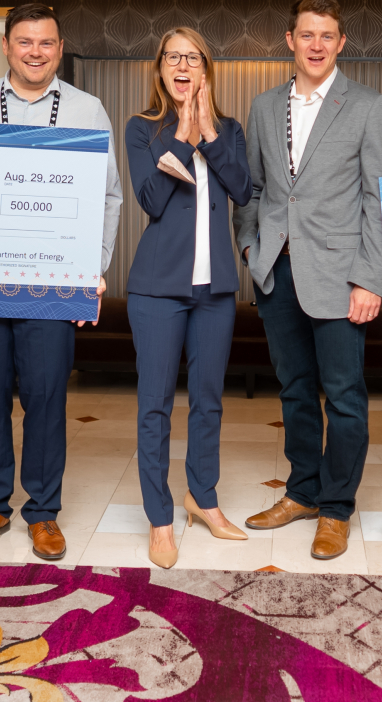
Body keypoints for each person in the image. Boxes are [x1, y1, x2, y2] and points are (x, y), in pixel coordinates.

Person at [0, 3, 122, 561]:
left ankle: (43, 512)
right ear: (6, 46)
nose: (35, 52)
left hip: (53, 282)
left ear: (59, 48)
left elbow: (108, 194)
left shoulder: (87, 110)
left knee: (45, 398)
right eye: (25, 42)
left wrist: (93, 270)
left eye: (46, 43)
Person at [234, 0, 382, 560]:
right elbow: (253, 189)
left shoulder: (369, 106)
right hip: (277, 273)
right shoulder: (263, 106)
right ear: (290, 41)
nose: (317, 45)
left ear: (341, 43)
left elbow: (378, 200)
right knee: (295, 392)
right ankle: (301, 492)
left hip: (340, 275)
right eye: (307, 35)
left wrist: (370, 279)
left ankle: (336, 508)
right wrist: (251, 245)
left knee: (345, 396)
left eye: (327, 35)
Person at [125, 28, 254, 568]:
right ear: (160, 69)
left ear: (206, 68)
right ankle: (160, 519)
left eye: (193, 57)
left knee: (209, 402)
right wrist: (180, 131)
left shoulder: (229, 129)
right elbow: (151, 200)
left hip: (215, 290)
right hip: (156, 291)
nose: (182, 65)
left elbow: (244, 190)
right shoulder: (142, 129)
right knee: (154, 406)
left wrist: (207, 134)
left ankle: (204, 500)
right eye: (173, 57)